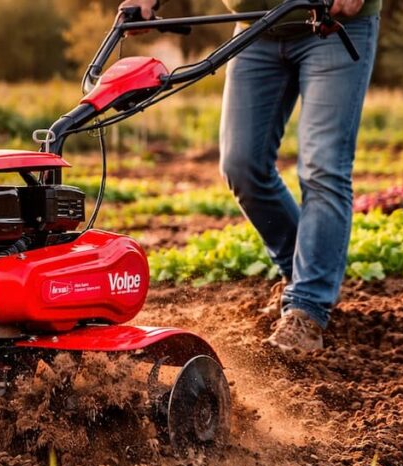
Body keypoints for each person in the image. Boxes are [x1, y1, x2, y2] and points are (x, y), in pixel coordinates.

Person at [117, 0, 380, 352]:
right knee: (242, 166)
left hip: (333, 24)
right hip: (257, 27)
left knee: (323, 167)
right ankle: (300, 274)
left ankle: (307, 306)